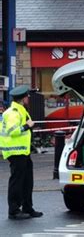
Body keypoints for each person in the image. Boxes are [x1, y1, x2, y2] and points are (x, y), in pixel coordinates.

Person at [0, 85, 43, 220]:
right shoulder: (13, 112)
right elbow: (13, 131)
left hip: (23, 151)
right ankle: (13, 210)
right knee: (17, 182)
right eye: (27, 96)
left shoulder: (20, 110)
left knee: (27, 181)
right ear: (22, 98)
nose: (28, 98)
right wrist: (27, 126)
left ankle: (27, 208)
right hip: (16, 152)